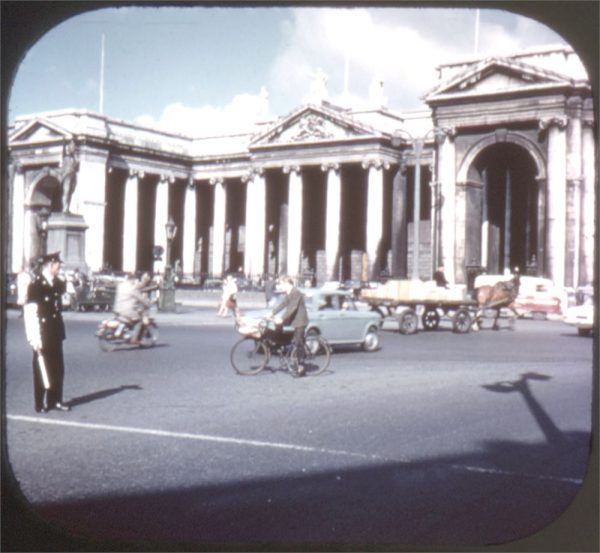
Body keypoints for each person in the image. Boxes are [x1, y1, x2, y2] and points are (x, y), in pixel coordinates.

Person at [23, 252, 71, 413]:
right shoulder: (36, 285)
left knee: (58, 367)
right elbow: (30, 313)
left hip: (56, 332)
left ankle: (55, 400)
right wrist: (33, 337)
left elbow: (66, 300)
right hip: (42, 333)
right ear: (50, 265)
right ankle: (40, 402)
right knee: (41, 368)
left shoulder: (58, 283)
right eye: (58, 264)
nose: (60, 267)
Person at [268, 276, 309, 377]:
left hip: (300, 321)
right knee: (277, 328)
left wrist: (281, 318)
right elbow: (282, 304)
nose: (280, 286)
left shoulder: (296, 293)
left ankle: (301, 367)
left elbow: (292, 308)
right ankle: (282, 347)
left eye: (281, 284)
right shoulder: (289, 293)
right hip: (293, 320)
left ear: (287, 283)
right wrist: (272, 313)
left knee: (299, 342)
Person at [113, 273, 151, 344]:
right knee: (139, 320)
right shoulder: (132, 289)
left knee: (130, 319)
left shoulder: (121, 286)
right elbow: (141, 299)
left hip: (117, 309)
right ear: (133, 280)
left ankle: (126, 332)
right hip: (127, 311)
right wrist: (148, 303)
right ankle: (135, 339)